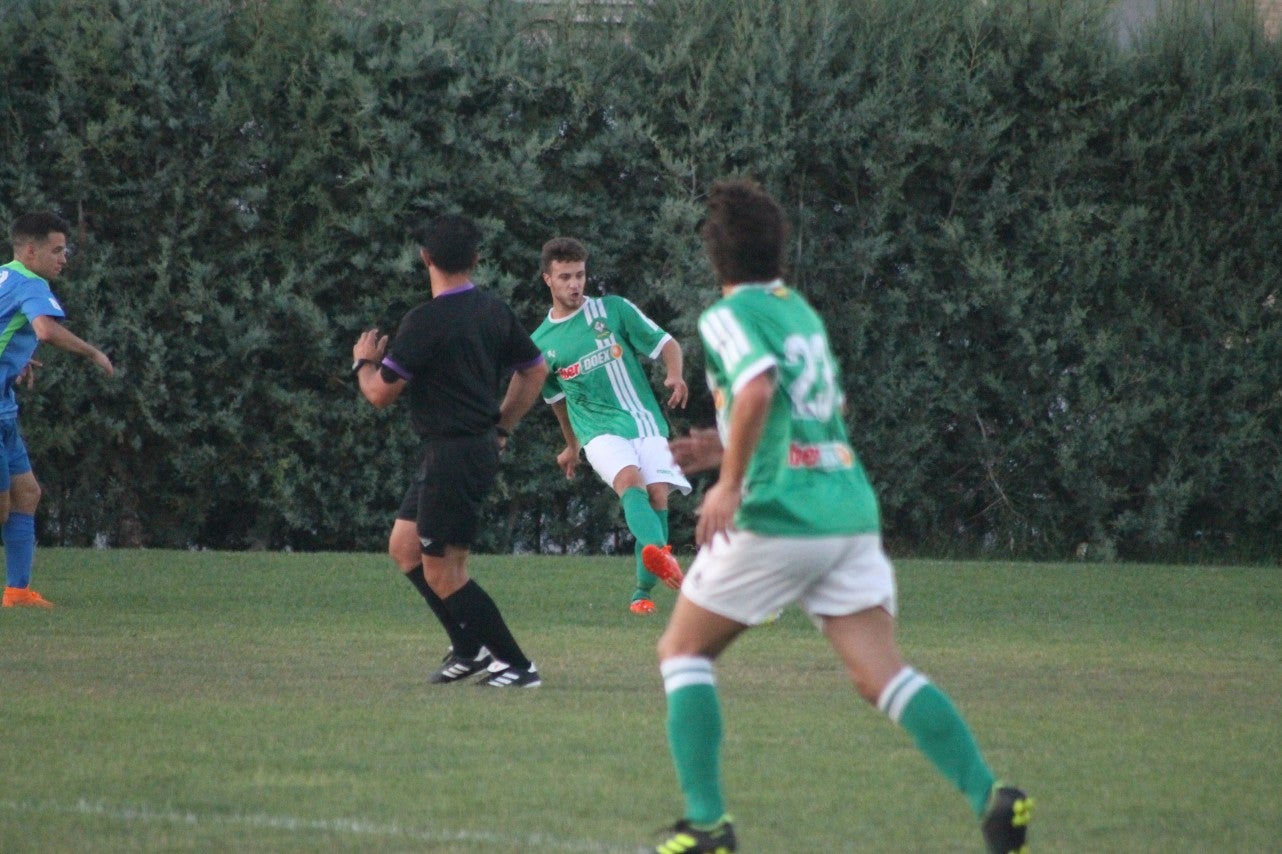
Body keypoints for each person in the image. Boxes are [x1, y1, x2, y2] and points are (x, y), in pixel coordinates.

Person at [648, 179, 1032, 853]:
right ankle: (990, 796)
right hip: (847, 513)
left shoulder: (727, 316)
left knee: (682, 650)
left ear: (714, 257)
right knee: (881, 675)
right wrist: (722, 446)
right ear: (780, 253)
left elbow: (760, 387)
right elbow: (826, 410)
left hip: (778, 514)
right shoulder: (799, 313)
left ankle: (708, 826)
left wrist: (729, 482)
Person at [352, 213, 548, 688]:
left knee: (445, 571)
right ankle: (469, 648)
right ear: (477, 259)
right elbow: (534, 371)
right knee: (404, 548)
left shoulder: (424, 321)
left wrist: (363, 362)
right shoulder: (493, 310)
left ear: (425, 258)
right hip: (457, 450)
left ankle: (518, 666)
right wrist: (502, 427)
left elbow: (379, 394)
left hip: (455, 455)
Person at [532, 237, 691, 614]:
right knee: (630, 484)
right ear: (548, 280)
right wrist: (572, 445)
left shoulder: (614, 310)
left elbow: (666, 343)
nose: (575, 284)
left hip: (645, 421)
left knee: (658, 497)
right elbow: (556, 400)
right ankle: (666, 564)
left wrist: (675, 375)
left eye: (580, 275)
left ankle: (642, 594)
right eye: (565, 277)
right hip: (597, 430)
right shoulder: (540, 344)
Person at [1, 212, 114, 608]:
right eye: (57, 250)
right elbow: (46, 330)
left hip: (5, 407)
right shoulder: (32, 284)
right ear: (30, 250)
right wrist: (93, 351)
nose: (63, 258)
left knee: (27, 493)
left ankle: (17, 593)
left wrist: (15, 360)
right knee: (1, 506)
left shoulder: (6, 276)